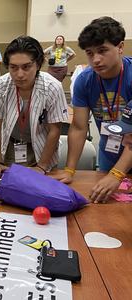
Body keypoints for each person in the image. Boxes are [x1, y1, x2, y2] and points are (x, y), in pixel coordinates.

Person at [53, 17, 132, 203]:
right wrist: (70, 170)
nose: (96, 59)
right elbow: (79, 127)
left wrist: (118, 174)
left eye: (103, 51)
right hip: (109, 155)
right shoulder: (85, 81)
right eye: (90, 53)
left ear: (120, 47)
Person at [0, 36, 68, 175]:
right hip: (12, 147)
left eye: (26, 67)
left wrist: (42, 166)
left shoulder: (53, 87)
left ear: (38, 64)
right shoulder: (0, 86)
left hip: (43, 151)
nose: (20, 74)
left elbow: (55, 129)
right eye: (13, 67)